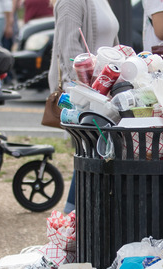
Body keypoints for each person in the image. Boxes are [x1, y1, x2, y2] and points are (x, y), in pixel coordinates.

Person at [49, 0, 119, 214]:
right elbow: (68, 50)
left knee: (98, 153)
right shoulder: (71, 1)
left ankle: (82, 215)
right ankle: (73, 217)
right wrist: (87, 96)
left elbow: (112, 46)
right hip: (86, 96)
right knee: (90, 152)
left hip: (103, 91)